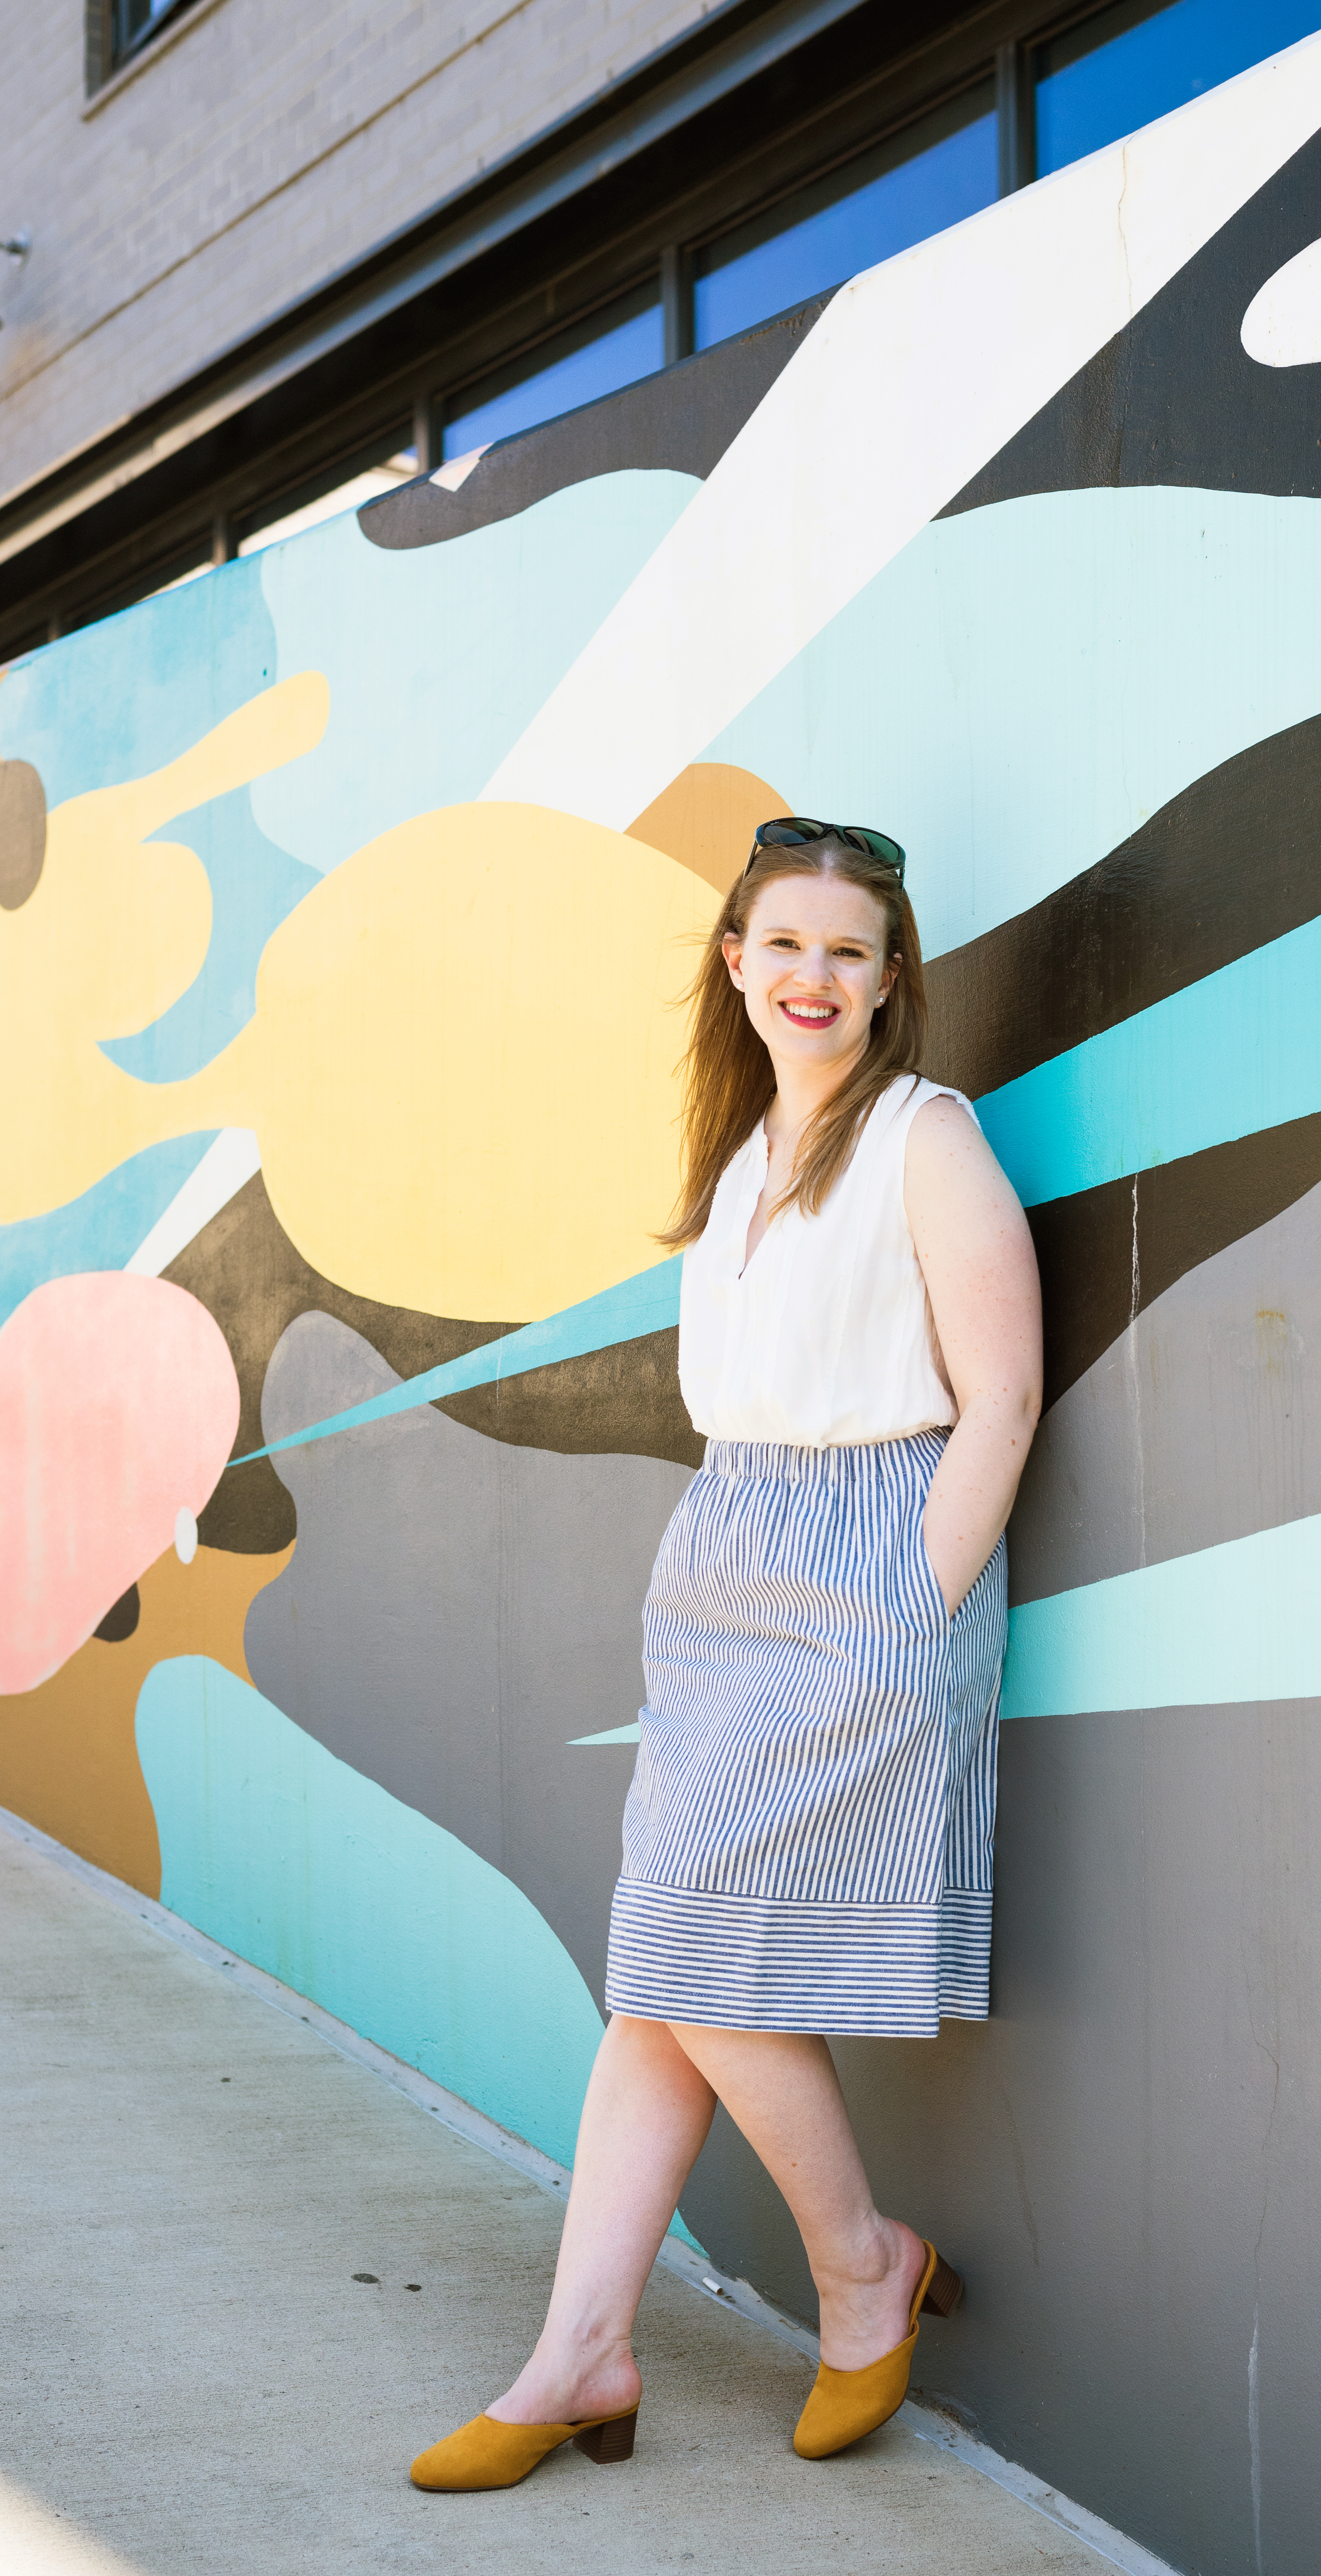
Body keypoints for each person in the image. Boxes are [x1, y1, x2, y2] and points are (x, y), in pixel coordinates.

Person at [411, 817, 1043, 2491]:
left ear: (890, 977)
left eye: (850, 951)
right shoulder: (745, 1154)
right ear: (735, 960)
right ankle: (582, 2347)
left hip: (871, 1562)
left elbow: (1003, 1399)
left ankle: (858, 2267)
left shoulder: (927, 1137)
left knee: (679, 1950)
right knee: (663, 1975)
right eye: (786, 945)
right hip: (729, 1563)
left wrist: (914, 1605)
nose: (815, 977)